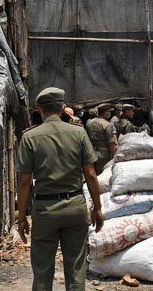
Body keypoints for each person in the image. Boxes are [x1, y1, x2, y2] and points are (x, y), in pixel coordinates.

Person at [16, 87, 104, 291]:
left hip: (45, 210)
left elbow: (23, 182)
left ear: (38, 109)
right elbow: (90, 174)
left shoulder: (30, 137)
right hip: (75, 206)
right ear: (63, 108)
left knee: (42, 271)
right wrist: (97, 208)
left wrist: (21, 217)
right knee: (75, 269)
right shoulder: (78, 132)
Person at [85, 103, 117, 174]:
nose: (109, 114)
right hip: (103, 156)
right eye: (108, 112)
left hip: (91, 154)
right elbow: (110, 143)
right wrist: (116, 156)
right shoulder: (106, 124)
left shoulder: (89, 123)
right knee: (102, 177)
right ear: (106, 112)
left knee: (93, 175)